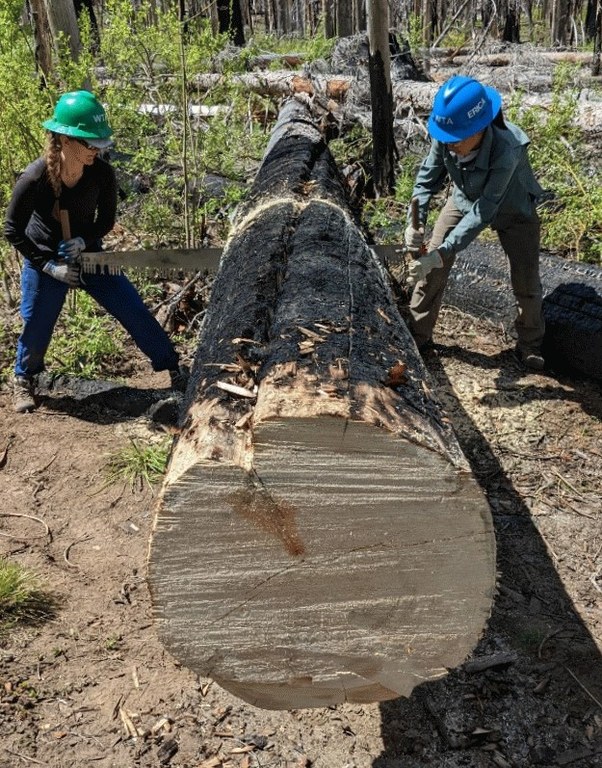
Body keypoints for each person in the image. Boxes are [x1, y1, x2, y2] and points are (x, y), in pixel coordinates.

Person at [4, 90, 189, 413]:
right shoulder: (34, 178)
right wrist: (49, 267)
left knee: (131, 306)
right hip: (45, 256)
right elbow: (11, 231)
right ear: (65, 140)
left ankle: (173, 366)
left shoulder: (101, 173)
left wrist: (83, 240)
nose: (97, 150)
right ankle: (25, 379)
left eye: (100, 144)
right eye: (90, 143)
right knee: (37, 321)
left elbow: (106, 220)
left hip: (88, 253)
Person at [404, 75, 546, 370]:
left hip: (513, 210)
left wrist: (441, 253)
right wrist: (414, 223)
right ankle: (416, 335)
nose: (449, 144)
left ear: (478, 128)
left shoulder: (508, 149)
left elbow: (485, 211)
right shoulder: (447, 136)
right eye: (446, 137)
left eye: (456, 139)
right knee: (432, 270)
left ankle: (530, 345)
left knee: (526, 279)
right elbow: (425, 182)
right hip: (463, 199)